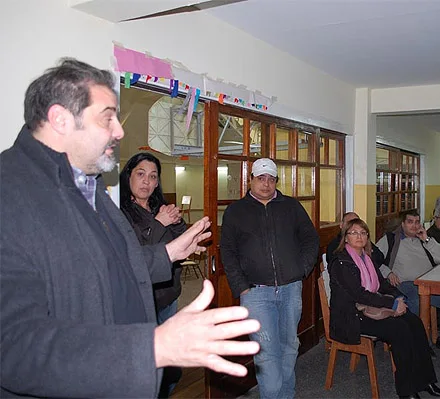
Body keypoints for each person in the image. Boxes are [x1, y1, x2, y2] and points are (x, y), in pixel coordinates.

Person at [0, 58, 260, 398]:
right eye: (108, 116)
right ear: (60, 118)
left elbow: (109, 265)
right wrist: (153, 347)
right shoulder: (11, 192)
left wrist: (169, 252)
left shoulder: (85, 185)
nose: (119, 130)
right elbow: (13, 346)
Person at [220, 157, 320, 399]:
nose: (266, 184)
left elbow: (310, 238)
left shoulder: (291, 207)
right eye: (261, 178)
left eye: (271, 179)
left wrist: (302, 268)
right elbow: (228, 251)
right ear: (250, 180)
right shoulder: (236, 211)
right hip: (256, 294)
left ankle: (286, 395)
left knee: (289, 346)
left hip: (290, 290)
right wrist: (241, 286)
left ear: (276, 181)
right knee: (266, 351)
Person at [329, 218, 440, 399]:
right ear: (345, 238)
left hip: (370, 308)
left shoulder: (366, 258)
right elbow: (359, 295)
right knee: (399, 329)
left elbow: (382, 284)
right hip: (351, 317)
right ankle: (407, 390)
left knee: (414, 322)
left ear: (368, 237)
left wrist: (399, 297)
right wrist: (392, 304)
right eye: (353, 233)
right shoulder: (341, 262)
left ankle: (426, 381)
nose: (359, 236)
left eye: (363, 233)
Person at [120, 152, 187, 397]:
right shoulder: (119, 212)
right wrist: (159, 223)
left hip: (168, 295)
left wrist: (179, 223)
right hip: (141, 300)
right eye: (140, 174)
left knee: (171, 365)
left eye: (152, 176)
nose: (146, 181)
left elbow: (178, 241)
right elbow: (136, 255)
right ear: (128, 176)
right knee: (149, 363)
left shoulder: (159, 207)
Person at [376, 210, 440, 354]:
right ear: (403, 224)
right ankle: (421, 343)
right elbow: (373, 260)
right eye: (410, 222)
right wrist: (388, 272)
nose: (414, 225)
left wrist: (426, 240)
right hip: (405, 284)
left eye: (417, 222)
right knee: (416, 300)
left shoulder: (425, 239)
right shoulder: (391, 239)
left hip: (429, 283)